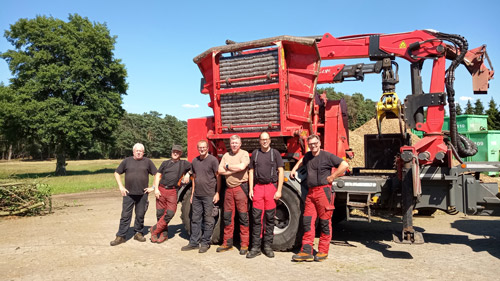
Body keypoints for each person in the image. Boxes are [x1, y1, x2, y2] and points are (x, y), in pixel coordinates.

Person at [290, 134, 349, 262]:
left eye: (315, 143)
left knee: (324, 222)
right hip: (311, 193)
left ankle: (323, 251)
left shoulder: (327, 156)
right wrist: (294, 169)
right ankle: (306, 251)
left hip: (324, 192)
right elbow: (301, 160)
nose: (313, 146)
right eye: (310, 144)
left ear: (319, 143)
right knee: (307, 221)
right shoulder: (308, 156)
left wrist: (333, 176)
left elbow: (344, 164)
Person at [110, 143, 157, 246]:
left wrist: (153, 187)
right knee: (125, 215)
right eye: (137, 151)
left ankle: (138, 233)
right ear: (133, 152)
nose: (139, 152)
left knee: (140, 215)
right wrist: (121, 187)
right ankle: (121, 236)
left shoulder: (148, 162)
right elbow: (117, 173)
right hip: (128, 194)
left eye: (141, 151)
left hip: (142, 194)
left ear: (143, 152)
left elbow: (157, 174)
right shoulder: (127, 161)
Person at [246, 132, 284, 259]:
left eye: (266, 139)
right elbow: (251, 171)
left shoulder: (275, 154)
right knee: (256, 219)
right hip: (258, 188)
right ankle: (255, 247)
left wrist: (278, 190)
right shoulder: (255, 154)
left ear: (270, 140)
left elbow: (281, 171)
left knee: (269, 219)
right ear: (259, 141)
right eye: (262, 139)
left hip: (270, 188)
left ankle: (267, 246)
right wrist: (251, 189)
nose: (265, 141)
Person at [181, 140, 220, 253]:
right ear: (198, 148)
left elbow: (218, 177)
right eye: (200, 147)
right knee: (195, 219)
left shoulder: (213, 160)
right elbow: (194, 178)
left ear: (207, 148)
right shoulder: (195, 161)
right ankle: (193, 242)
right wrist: (192, 194)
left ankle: (205, 243)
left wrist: (217, 192)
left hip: (209, 195)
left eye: (204, 147)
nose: (202, 149)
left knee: (208, 220)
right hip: (197, 195)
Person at [216, 135, 250, 255]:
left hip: (240, 188)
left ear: (240, 144)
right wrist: (233, 170)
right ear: (230, 144)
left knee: (243, 217)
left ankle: (244, 244)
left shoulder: (244, 154)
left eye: (236, 143)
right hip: (229, 189)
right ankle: (227, 243)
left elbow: (242, 166)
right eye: (232, 143)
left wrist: (227, 167)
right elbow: (219, 171)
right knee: (227, 217)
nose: (234, 145)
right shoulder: (226, 155)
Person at [150, 144, 191, 243]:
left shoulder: (184, 164)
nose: (175, 153)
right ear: (171, 152)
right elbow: (158, 175)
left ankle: (154, 229)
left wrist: (188, 174)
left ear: (180, 153)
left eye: (177, 152)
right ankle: (164, 234)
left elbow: (195, 167)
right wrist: (156, 189)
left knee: (170, 213)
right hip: (161, 189)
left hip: (173, 191)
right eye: (174, 151)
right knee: (160, 213)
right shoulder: (165, 163)